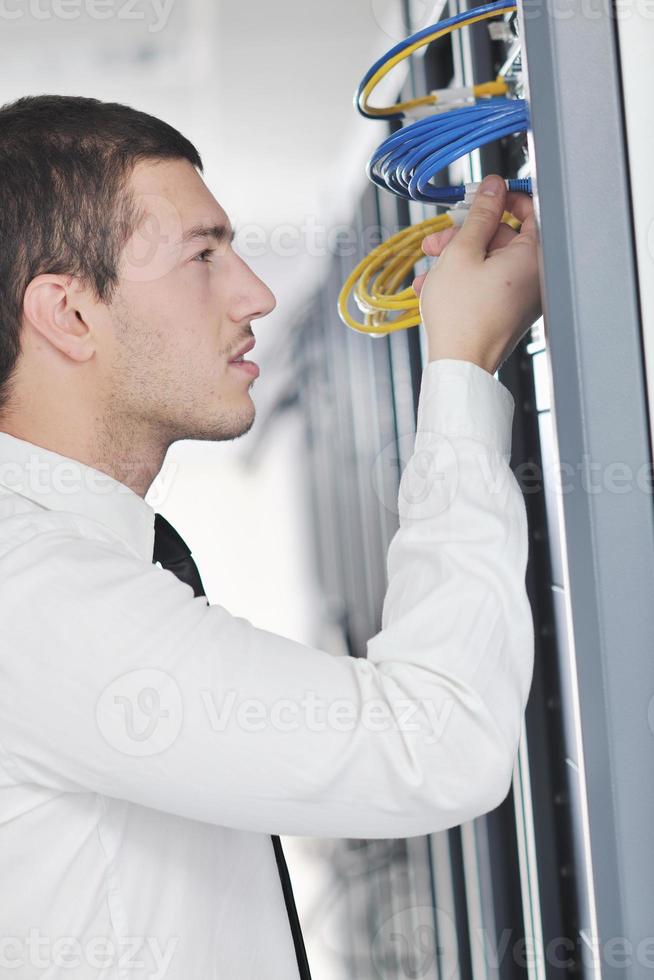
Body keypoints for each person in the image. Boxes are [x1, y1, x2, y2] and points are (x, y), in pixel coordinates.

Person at [0, 94, 541, 980]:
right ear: (69, 314)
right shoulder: (33, 593)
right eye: (202, 256)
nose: (255, 294)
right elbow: (433, 744)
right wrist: (463, 369)